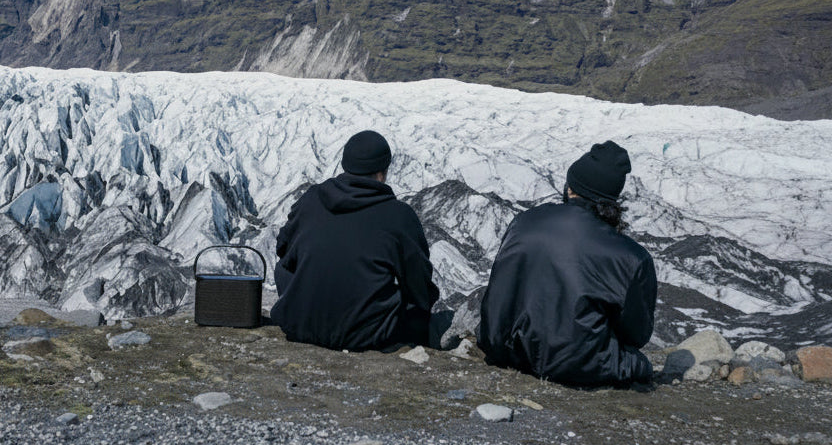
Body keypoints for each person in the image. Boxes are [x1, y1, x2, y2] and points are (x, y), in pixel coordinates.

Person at [478, 140, 657, 386]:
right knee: (640, 364)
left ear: (570, 188)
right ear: (612, 200)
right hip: (576, 365)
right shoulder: (631, 257)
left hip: (504, 349)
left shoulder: (524, 222)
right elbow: (636, 334)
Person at [270, 130, 439, 351]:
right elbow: (419, 284)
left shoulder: (312, 198)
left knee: (283, 269)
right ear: (382, 172)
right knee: (413, 309)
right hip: (364, 336)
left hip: (299, 325)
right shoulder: (398, 216)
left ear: (345, 165)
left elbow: (283, 248)